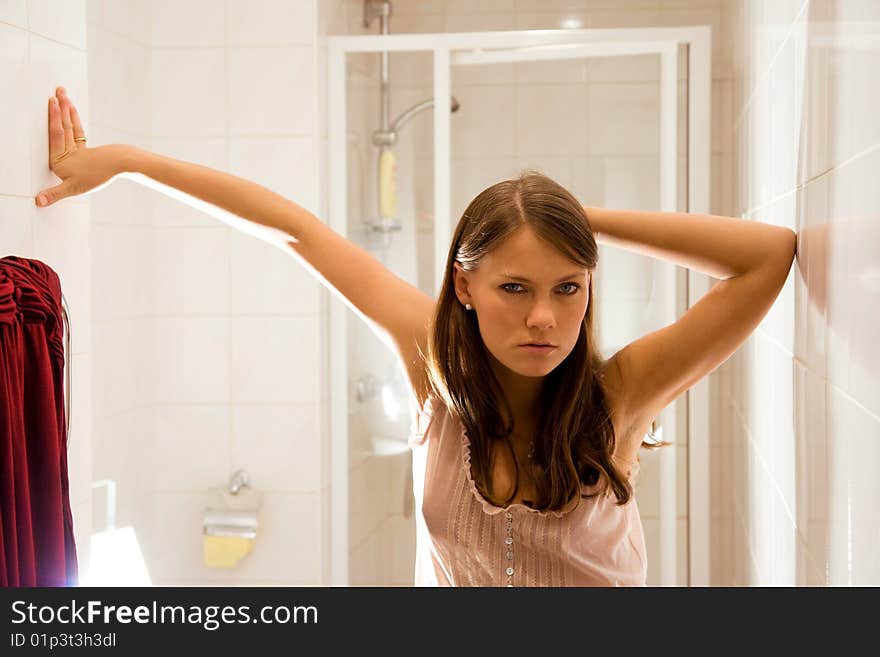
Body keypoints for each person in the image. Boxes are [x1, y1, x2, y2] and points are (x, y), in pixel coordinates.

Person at [37, 86, 797, 587]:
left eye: (568, 287)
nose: (544, 318)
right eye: (514, 287)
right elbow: (298, 232)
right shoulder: (432, 364)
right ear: (464, 287)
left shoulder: (619, 395)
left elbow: (767, 255)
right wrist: (133, 164)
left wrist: (580, 221)